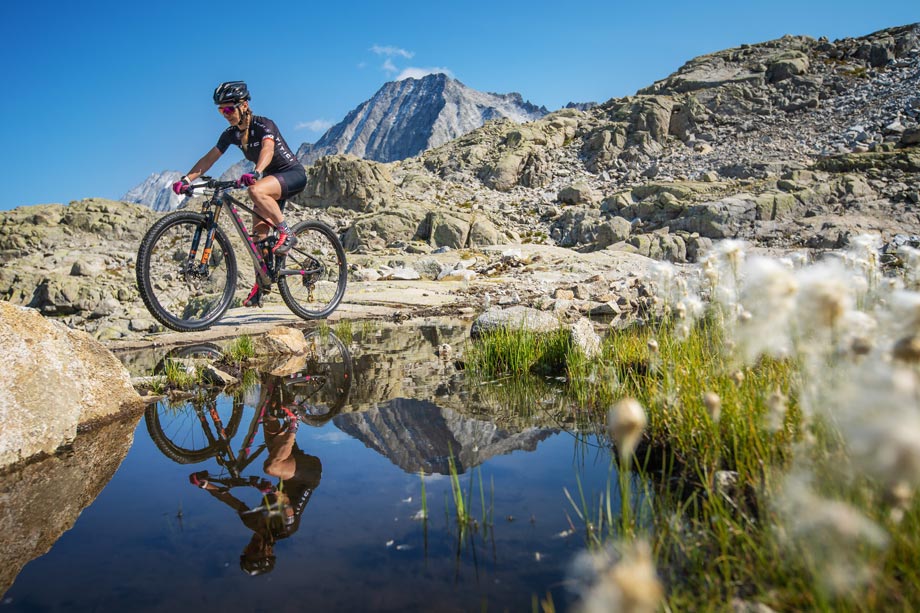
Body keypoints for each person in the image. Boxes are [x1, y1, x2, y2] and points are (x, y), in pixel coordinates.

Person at [172, 80, 307, 307]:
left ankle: (287, 233)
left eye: (228, 108)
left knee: (255, 190)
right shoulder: (231, 134)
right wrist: (187, 179)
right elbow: (209, 158)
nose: (224, 114)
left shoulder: (264, 125)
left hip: (291, 174)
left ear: (243, 105)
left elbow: (268, 149)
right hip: (268, 180)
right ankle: (261, 284)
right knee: (258, 236)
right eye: (220, 110)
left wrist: (256, 171)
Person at [187, 375, 322, 575]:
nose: (249, 547)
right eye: (252, 552)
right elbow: (284, 503)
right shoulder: (285, 529)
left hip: (288, 466)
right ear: (266, 552)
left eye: (246, 550)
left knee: (269, 416)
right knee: (271, 468)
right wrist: (271, 490)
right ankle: (294, 423)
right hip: (308, 474)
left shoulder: (253, 523)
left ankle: (279, 380)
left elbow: (231, 501)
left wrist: (205, 485)